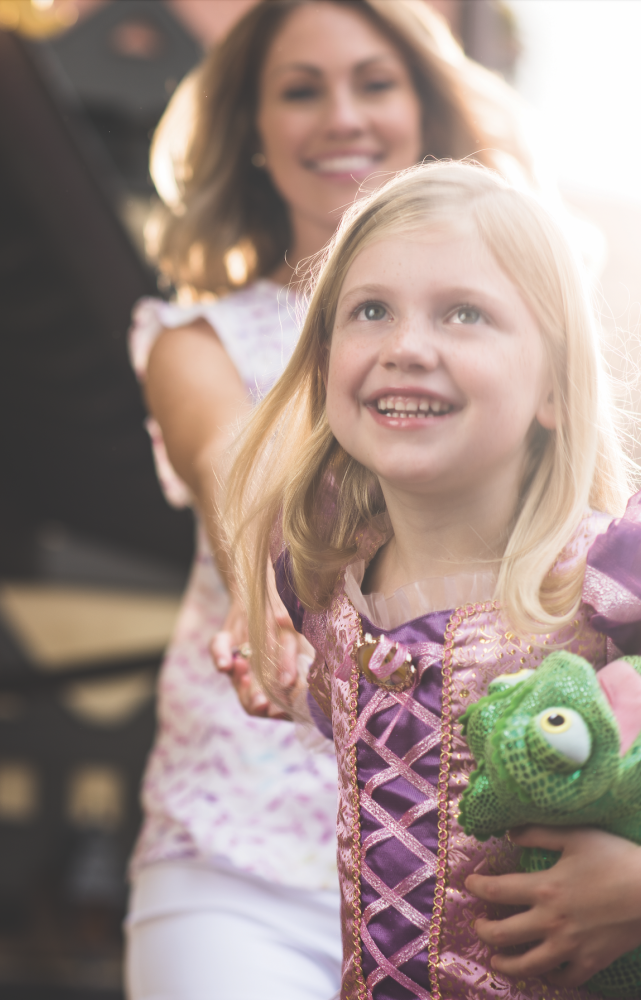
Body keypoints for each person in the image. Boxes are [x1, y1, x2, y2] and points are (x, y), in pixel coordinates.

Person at [124, 2, 536, 998]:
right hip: (241, 855)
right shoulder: (196, 337)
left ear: (424, 108)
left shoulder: (523, 332)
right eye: (299, 91)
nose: (339, 115)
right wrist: (254, 583)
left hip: (476, 866)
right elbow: (237, 467)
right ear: (252, 136)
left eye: (373, 81)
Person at [225, 159, 641, 999]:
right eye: (371, 310)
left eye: (465, 313)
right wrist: (295, 687)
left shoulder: (611, 579)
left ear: (554, 388)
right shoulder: (320, 589)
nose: (406, 347)